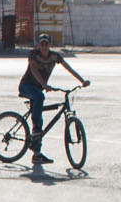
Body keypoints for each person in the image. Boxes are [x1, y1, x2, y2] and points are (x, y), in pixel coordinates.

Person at [18, 33, 88, 165]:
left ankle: (37, 154)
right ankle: (36, 130)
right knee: (40, 97)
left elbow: (69, 68)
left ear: (50, 45)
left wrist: (82, 81)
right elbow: (34, 70)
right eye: (41, 44)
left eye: (46, 44)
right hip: (26, 86)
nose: (44, 47)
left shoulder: (54, 56)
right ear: (38, 45)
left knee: (39, 111)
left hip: (38, 89)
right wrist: (44, 85)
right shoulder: (33, 55)